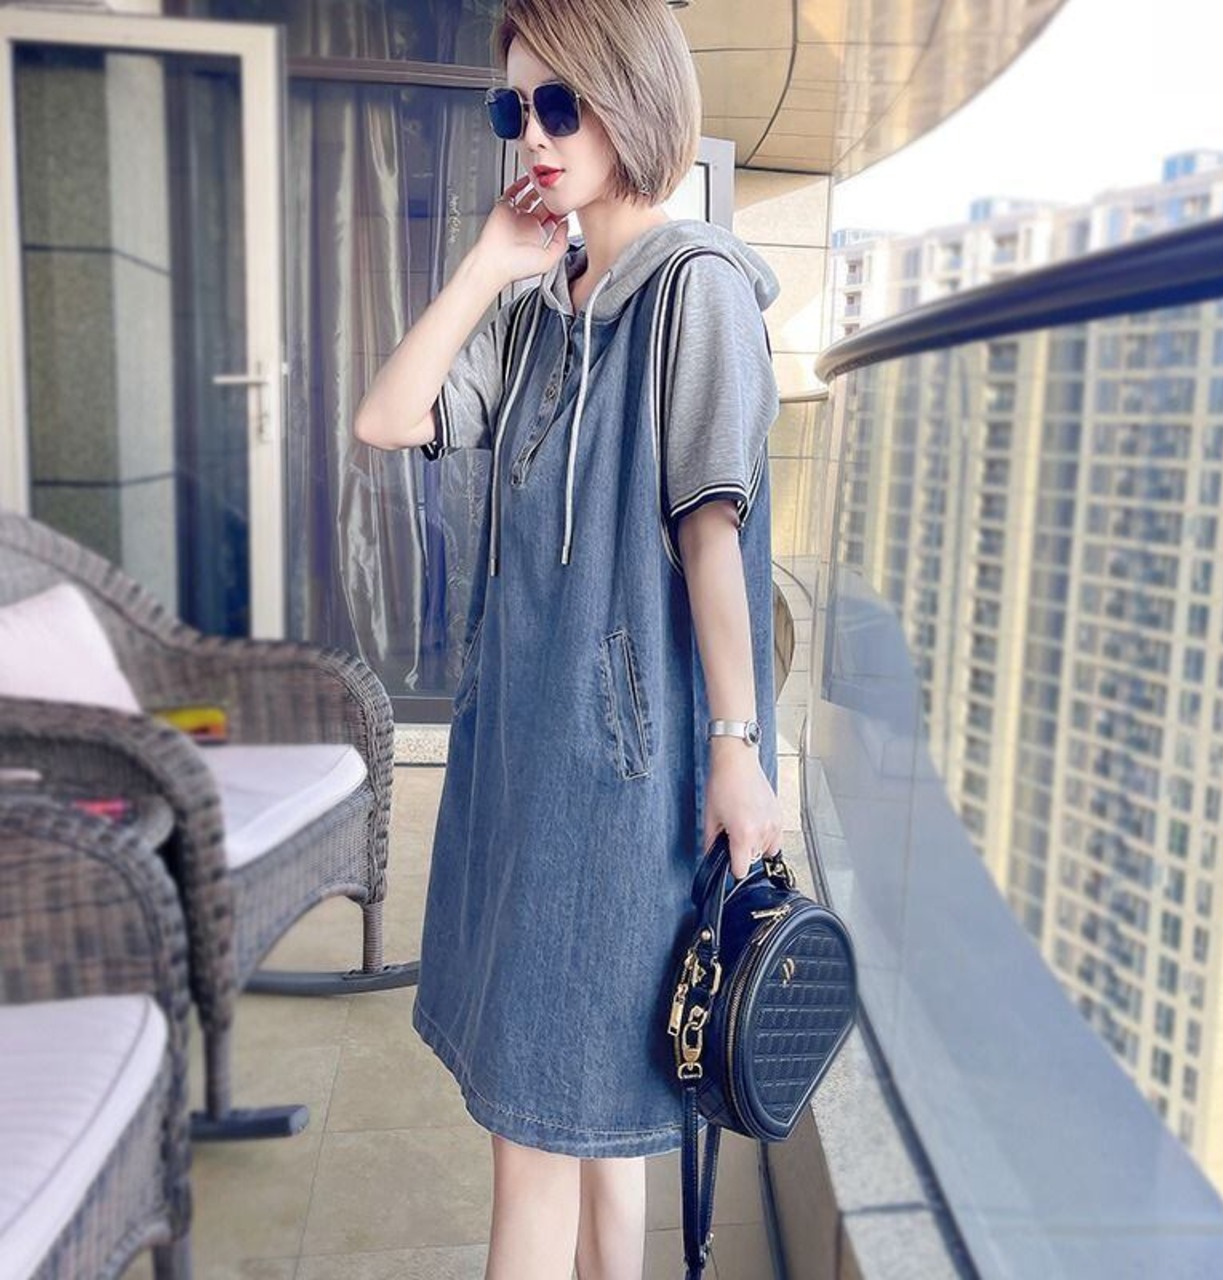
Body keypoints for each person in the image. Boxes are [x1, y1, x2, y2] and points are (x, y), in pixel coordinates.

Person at [354, 1, 785, 1275]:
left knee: (541, 1133)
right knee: (587, 1123)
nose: (532, 135)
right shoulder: (536, 311)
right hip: (519, 766)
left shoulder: (696, 288)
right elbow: (388, 418)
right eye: (513, 108)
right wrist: (489, 263)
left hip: (618, 786)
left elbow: (712, 535)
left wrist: (734, 746)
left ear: (631, 97)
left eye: (560, 103)